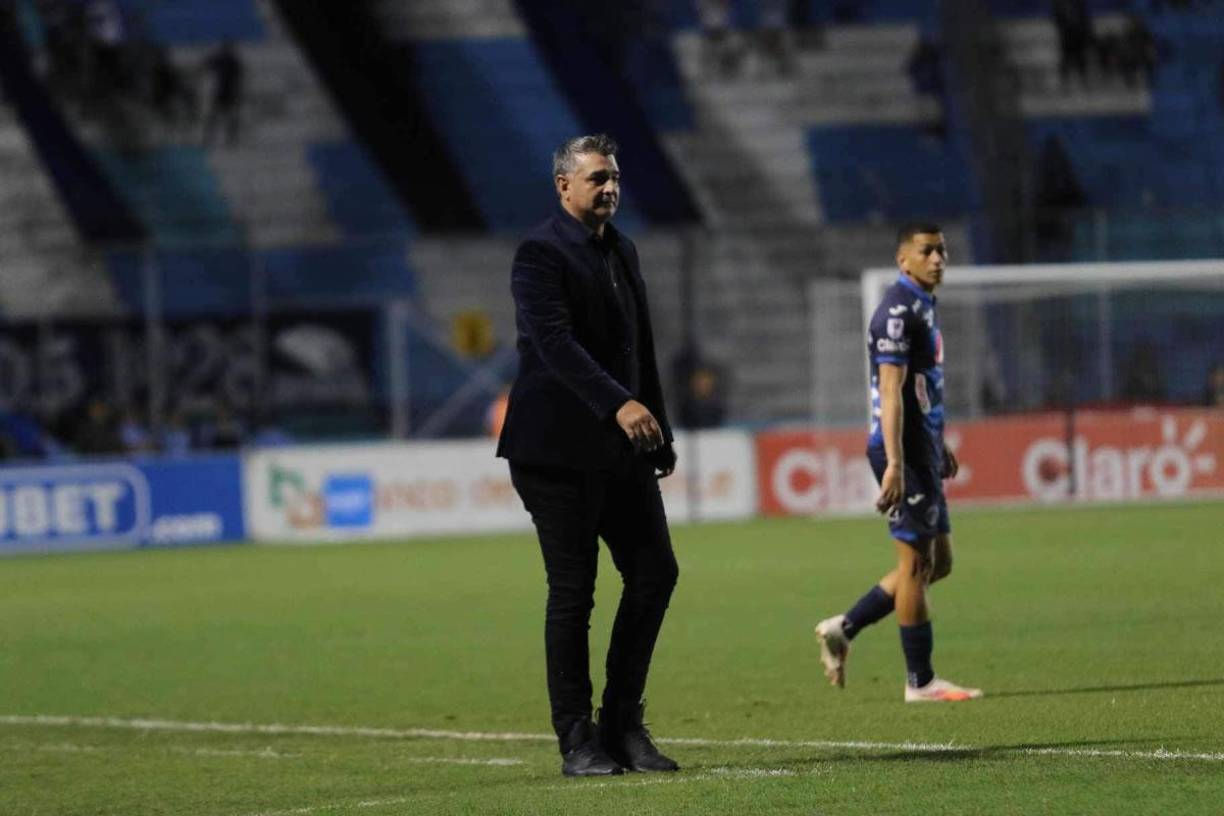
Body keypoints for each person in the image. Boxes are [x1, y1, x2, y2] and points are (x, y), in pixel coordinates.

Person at [497, 134, 681, 777]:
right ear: (563, 186)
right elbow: (553, 342)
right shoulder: (540, 252)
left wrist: (660, 427)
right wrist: (617, 405)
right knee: (574, 593)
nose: (609, 188)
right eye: (597, 177)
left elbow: (641, 348)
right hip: (554, 451)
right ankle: (577, 740)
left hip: (622, 447)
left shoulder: (620, 250)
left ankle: (624, 725)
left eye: (615, 177)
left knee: (656, 573)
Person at [813, 223, 982, 703]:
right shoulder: (896, 312)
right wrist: (894, 462)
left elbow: (919, 386)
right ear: (903, 260)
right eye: (927, 251)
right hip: (902, 453)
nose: (938, 259)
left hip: (922, 446)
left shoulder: (924, 305)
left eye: (943, 250)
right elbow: (890, 389)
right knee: (913, 566)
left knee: (937, 564)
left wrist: (937, 438)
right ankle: (920, 681)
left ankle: (843, 627)